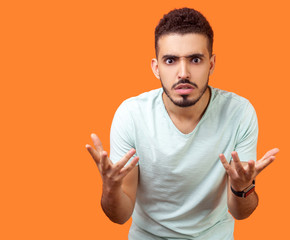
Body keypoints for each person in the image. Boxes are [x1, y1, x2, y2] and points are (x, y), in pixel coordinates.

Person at [86, 7, 279, 240]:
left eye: (195, 59)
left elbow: (241, 212)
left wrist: (243, 188)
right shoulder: (131, 114)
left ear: (212, 64)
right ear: (156, 68)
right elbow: (119, 215)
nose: (183, 73)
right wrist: (110, 188)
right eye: (170, 60)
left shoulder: (239, 112)